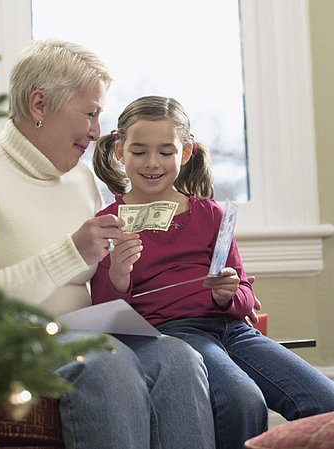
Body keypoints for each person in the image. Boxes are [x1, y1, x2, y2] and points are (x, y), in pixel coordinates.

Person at [0, 40, 215, 448]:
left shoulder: (80, 179)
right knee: (108, 363)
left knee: (179, 357)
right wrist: (70, 254)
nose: (97, 131)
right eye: (90, 113)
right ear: (39, 105)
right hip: (11, 337)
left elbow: (98, 280)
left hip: (88, 330)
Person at [90, 95, 334, 449]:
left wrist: (228, 294)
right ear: (119, 150)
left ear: (185, 153)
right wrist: (119, 273)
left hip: (233, 330)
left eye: (166, 151)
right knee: (241, 399)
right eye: (139, 151)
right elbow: (106, 310)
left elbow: (245, 293)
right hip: (175, 336)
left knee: (324, 400)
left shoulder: (210, 215)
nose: (152, 163)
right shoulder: (108, 223)